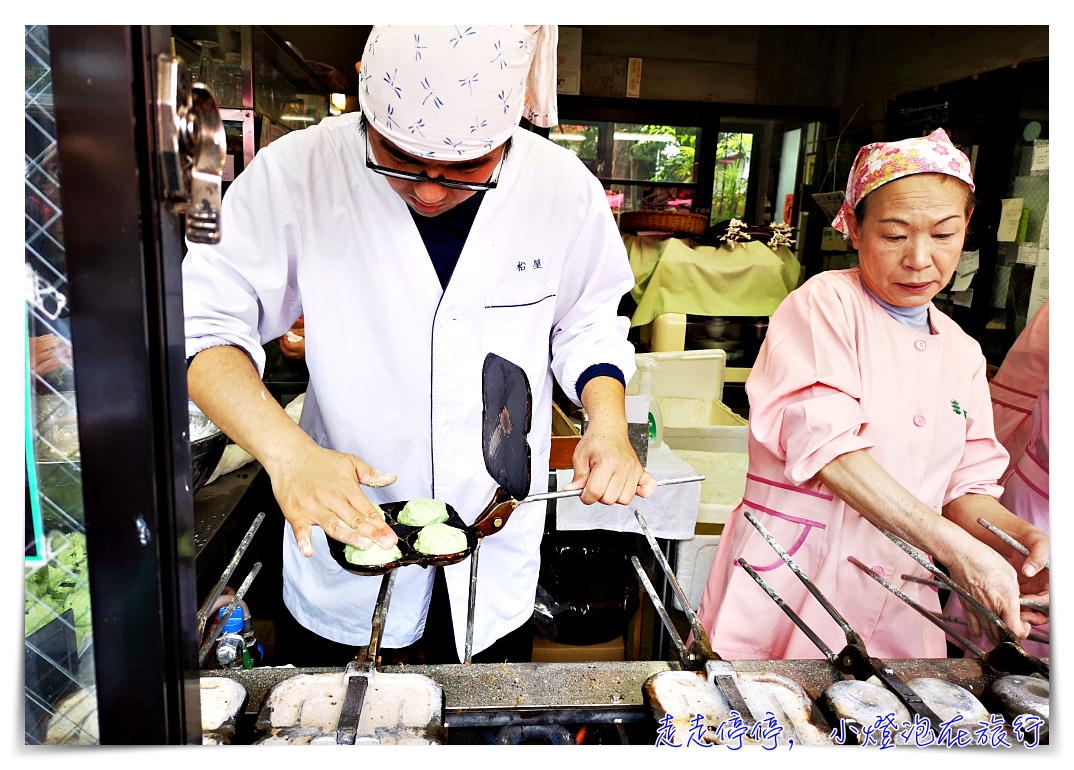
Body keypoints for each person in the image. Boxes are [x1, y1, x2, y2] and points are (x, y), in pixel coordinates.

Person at [182, 25, 655, 666]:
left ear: (508, 131)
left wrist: (607, 419)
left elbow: (589, 321)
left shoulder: (561, 190)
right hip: (344, 542)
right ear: (365, 102)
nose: (431, 190)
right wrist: (287, 453)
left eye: (465, 169)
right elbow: (206, 327)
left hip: (493, 556)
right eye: (400, 159)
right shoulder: (298, 174)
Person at [696, 129, 1049, 659]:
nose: (920, 259)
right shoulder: (822, 306)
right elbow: (830, 453)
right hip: (792, 579)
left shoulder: (962, 352)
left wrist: (1022, 543)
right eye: (894, 235)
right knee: (763, 722)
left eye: (944, 235)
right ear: (854, 229)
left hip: (900, 594)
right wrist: (958, 552)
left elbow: (964, 491)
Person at [949, 301, 1048, 657]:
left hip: (1010, 504)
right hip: (1036, 499)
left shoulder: (959, 350)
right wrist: (960, 550)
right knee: (1003, 657)